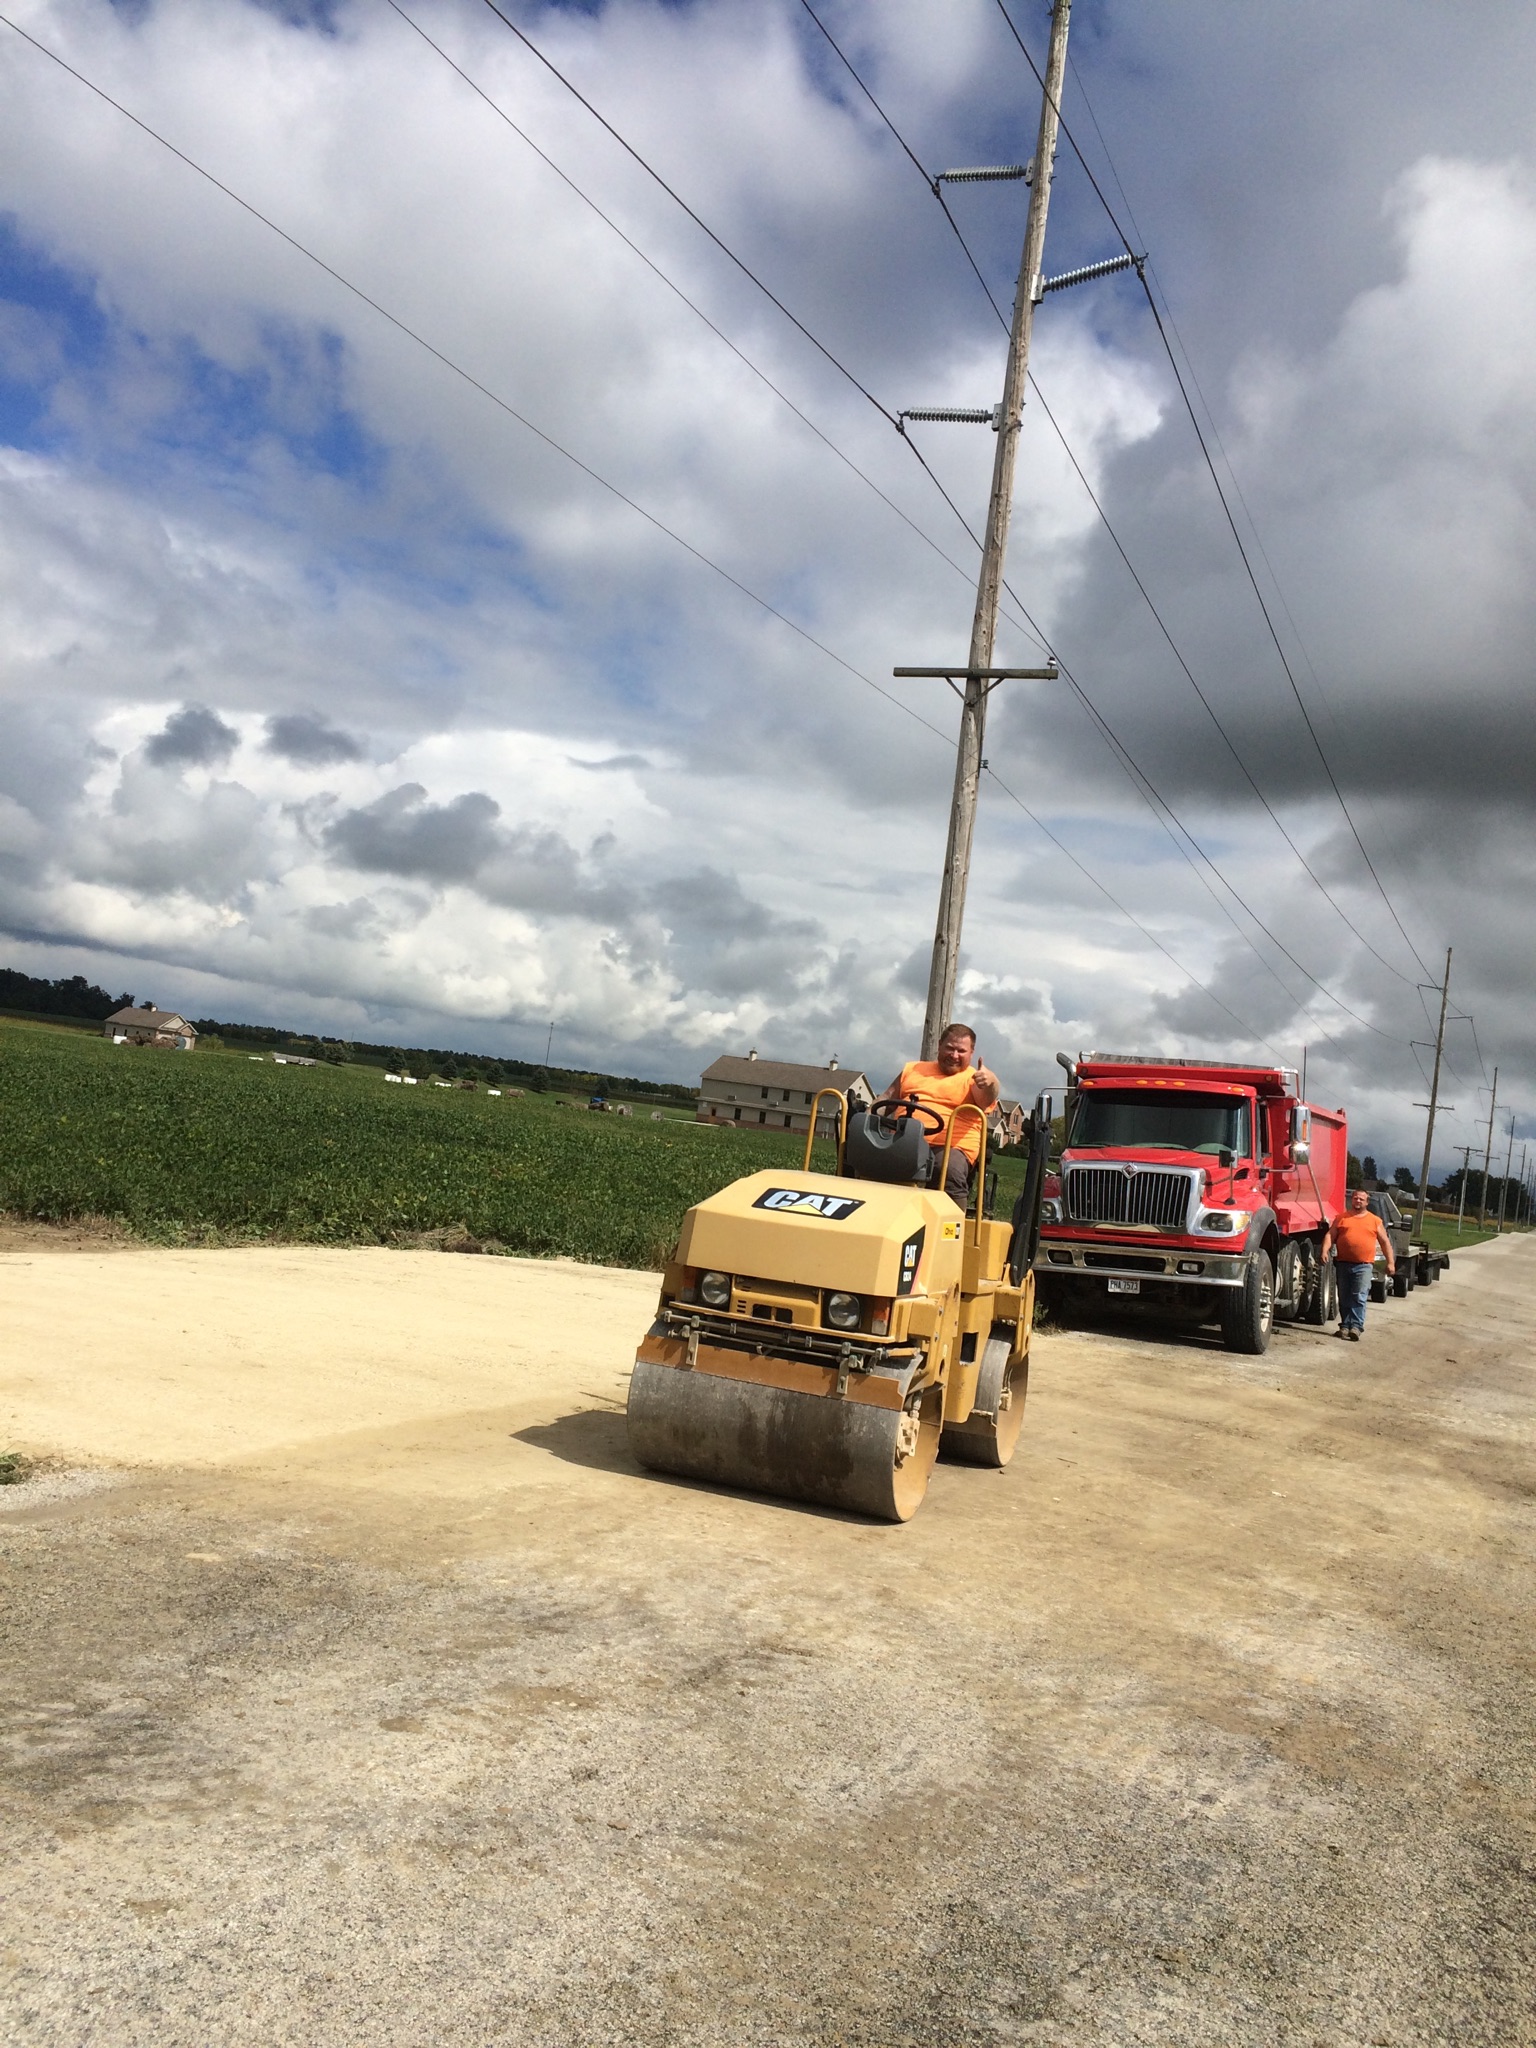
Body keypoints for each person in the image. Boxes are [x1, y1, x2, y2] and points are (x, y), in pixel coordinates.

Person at [883, 1023, 1000, 1204]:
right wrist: (864, 1115)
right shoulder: (913, 1070)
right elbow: (886, 1099)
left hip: (949, 1148)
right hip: (902, 1140)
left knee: (947, 1169)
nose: (954, 1055)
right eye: (950, 1048)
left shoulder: (974, 1078)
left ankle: (953, 1228)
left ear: (971, 1052)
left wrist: (991, 1082)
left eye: (961, 1051)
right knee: (867, 1157)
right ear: (939, 1045)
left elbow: (986, 1099)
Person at [1320, 1188, 1396, 1341]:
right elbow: (1330, 1235)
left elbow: (1385, 1242)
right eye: (1355, 1198)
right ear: (1352, 1200)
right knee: (1344, 1296)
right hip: (1343, 1264)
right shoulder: (1341, 1218)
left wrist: (1390, 1262)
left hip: (1364, 1265)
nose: (1358, 1201)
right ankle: (1345, 1326)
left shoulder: (1375, 1221)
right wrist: (1324, 1251)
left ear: (1367, 1202)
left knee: (1359, 1296)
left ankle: (1356, 1326)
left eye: (1361, 1199)